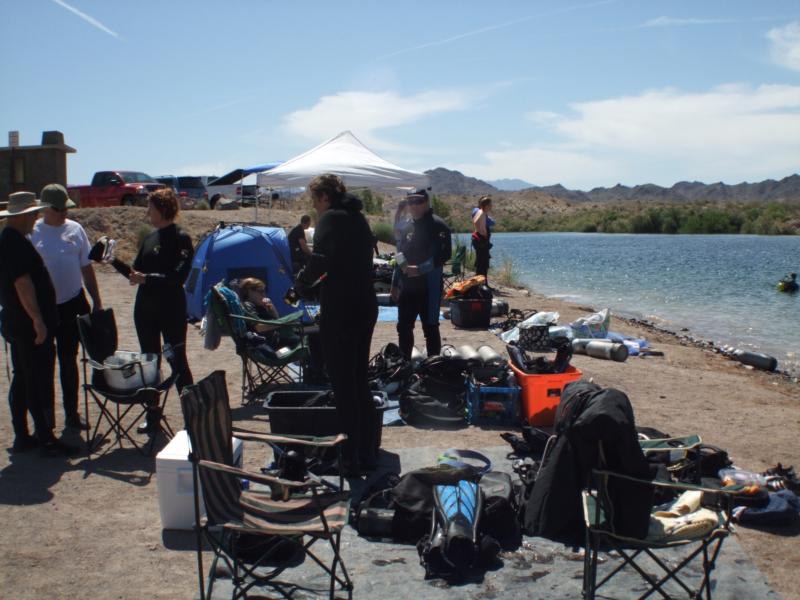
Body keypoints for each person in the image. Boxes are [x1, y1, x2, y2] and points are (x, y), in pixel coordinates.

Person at [294, 173, 378, 476]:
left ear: (325, 197)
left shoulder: (330, 218)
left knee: (343, 385)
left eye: (314, 200)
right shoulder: (358, 218)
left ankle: (349, 459)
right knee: (359, 381)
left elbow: (319, 262)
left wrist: (301, 284)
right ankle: (368, 453)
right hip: (365, 306)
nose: (314, 206)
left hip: (342, 309)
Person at [0, 191, 79, 456]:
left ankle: (24, 435)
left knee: (24, 377)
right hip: (26, 323)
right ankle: (44, 437)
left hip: (18, 322)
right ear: (22, 216)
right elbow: (23, 284)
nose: (36, 219)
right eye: (33, 214)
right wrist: (38, 320)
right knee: (35, 378)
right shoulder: (14, 243)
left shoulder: (12, 240)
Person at [30, 184, 102, 431]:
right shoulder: (33, 232)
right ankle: (47, 420)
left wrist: (97, 300)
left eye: (66, 209)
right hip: (44, 309)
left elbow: (87, 267)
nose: (64, 214)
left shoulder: (75, 229)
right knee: (44, 364)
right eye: (60, 210)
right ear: (46, 209)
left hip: (72, 303)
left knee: (69, 361)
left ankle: (72, 413)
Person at [128, 189, 194, 429]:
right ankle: (152, 415)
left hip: (171, 310)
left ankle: (193, 416)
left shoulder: (181, 237)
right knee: (149, 362)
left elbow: (177, 277)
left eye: (151, 207)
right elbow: (136, 272)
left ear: (163, 209)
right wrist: (111, 261)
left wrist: (147, 278)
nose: (148, 212)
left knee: (178, 361)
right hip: (145, 310)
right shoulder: (148, 239)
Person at [391, 189, 452, 359]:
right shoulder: (407, 226)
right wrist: (394, 285)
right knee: (403, 327)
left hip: (429, 287)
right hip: (407, 288)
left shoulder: (439, 226)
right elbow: (399, 255)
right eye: (410, 201)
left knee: (430, 327)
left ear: (426, 202)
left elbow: (444, 255)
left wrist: (419, 269)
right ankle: (404, 363)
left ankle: (433, 367)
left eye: (418, 201)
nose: (413, 205)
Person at [471, 195, 493, 282]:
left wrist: (478, 230)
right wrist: (483, 233)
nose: (491, 206)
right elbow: (482, 228)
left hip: (478, 240)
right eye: (490, 205)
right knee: (483, 265)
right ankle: (481, 286)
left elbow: (475, 222)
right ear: (486, 205)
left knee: (481, 264)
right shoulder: (482, 213)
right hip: (481, 241)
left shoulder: (479, 212)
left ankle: (482, 284)